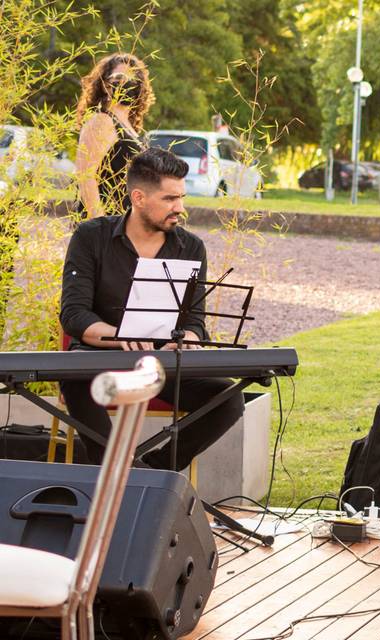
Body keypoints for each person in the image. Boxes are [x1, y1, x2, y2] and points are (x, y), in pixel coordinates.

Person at [59, 148, 244, 470]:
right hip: (99, 364)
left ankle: (152, 473)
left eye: (182, 198)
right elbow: (74, 315)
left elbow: (195, 321)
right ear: (139, 197)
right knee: (76, 382)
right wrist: (120, 336)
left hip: (161, 366)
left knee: (228, 399)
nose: (180, 208)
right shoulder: (91, 236)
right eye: (170, 199)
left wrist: (187, 335)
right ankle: (115, 472)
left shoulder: (190, 247)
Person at [75, 52, 154, 218]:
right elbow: (85, 176)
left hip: (128, 226)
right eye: (119, 78)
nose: (126, 84)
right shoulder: (102, 121)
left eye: (132, 79)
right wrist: (102, 225)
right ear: (105, 84)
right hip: (106, 227)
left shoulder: (131, 128)